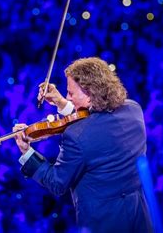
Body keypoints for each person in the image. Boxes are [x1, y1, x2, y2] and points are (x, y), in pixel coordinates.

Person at [13, 57, 153, 232]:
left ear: (90, 94)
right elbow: (97, 125)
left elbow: (57, 182)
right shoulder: (133, 110)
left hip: (102, 224)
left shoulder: (77, 136)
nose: (67, 97)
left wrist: (27, 153)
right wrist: (61, 103)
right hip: (139, 218)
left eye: (70, 93)